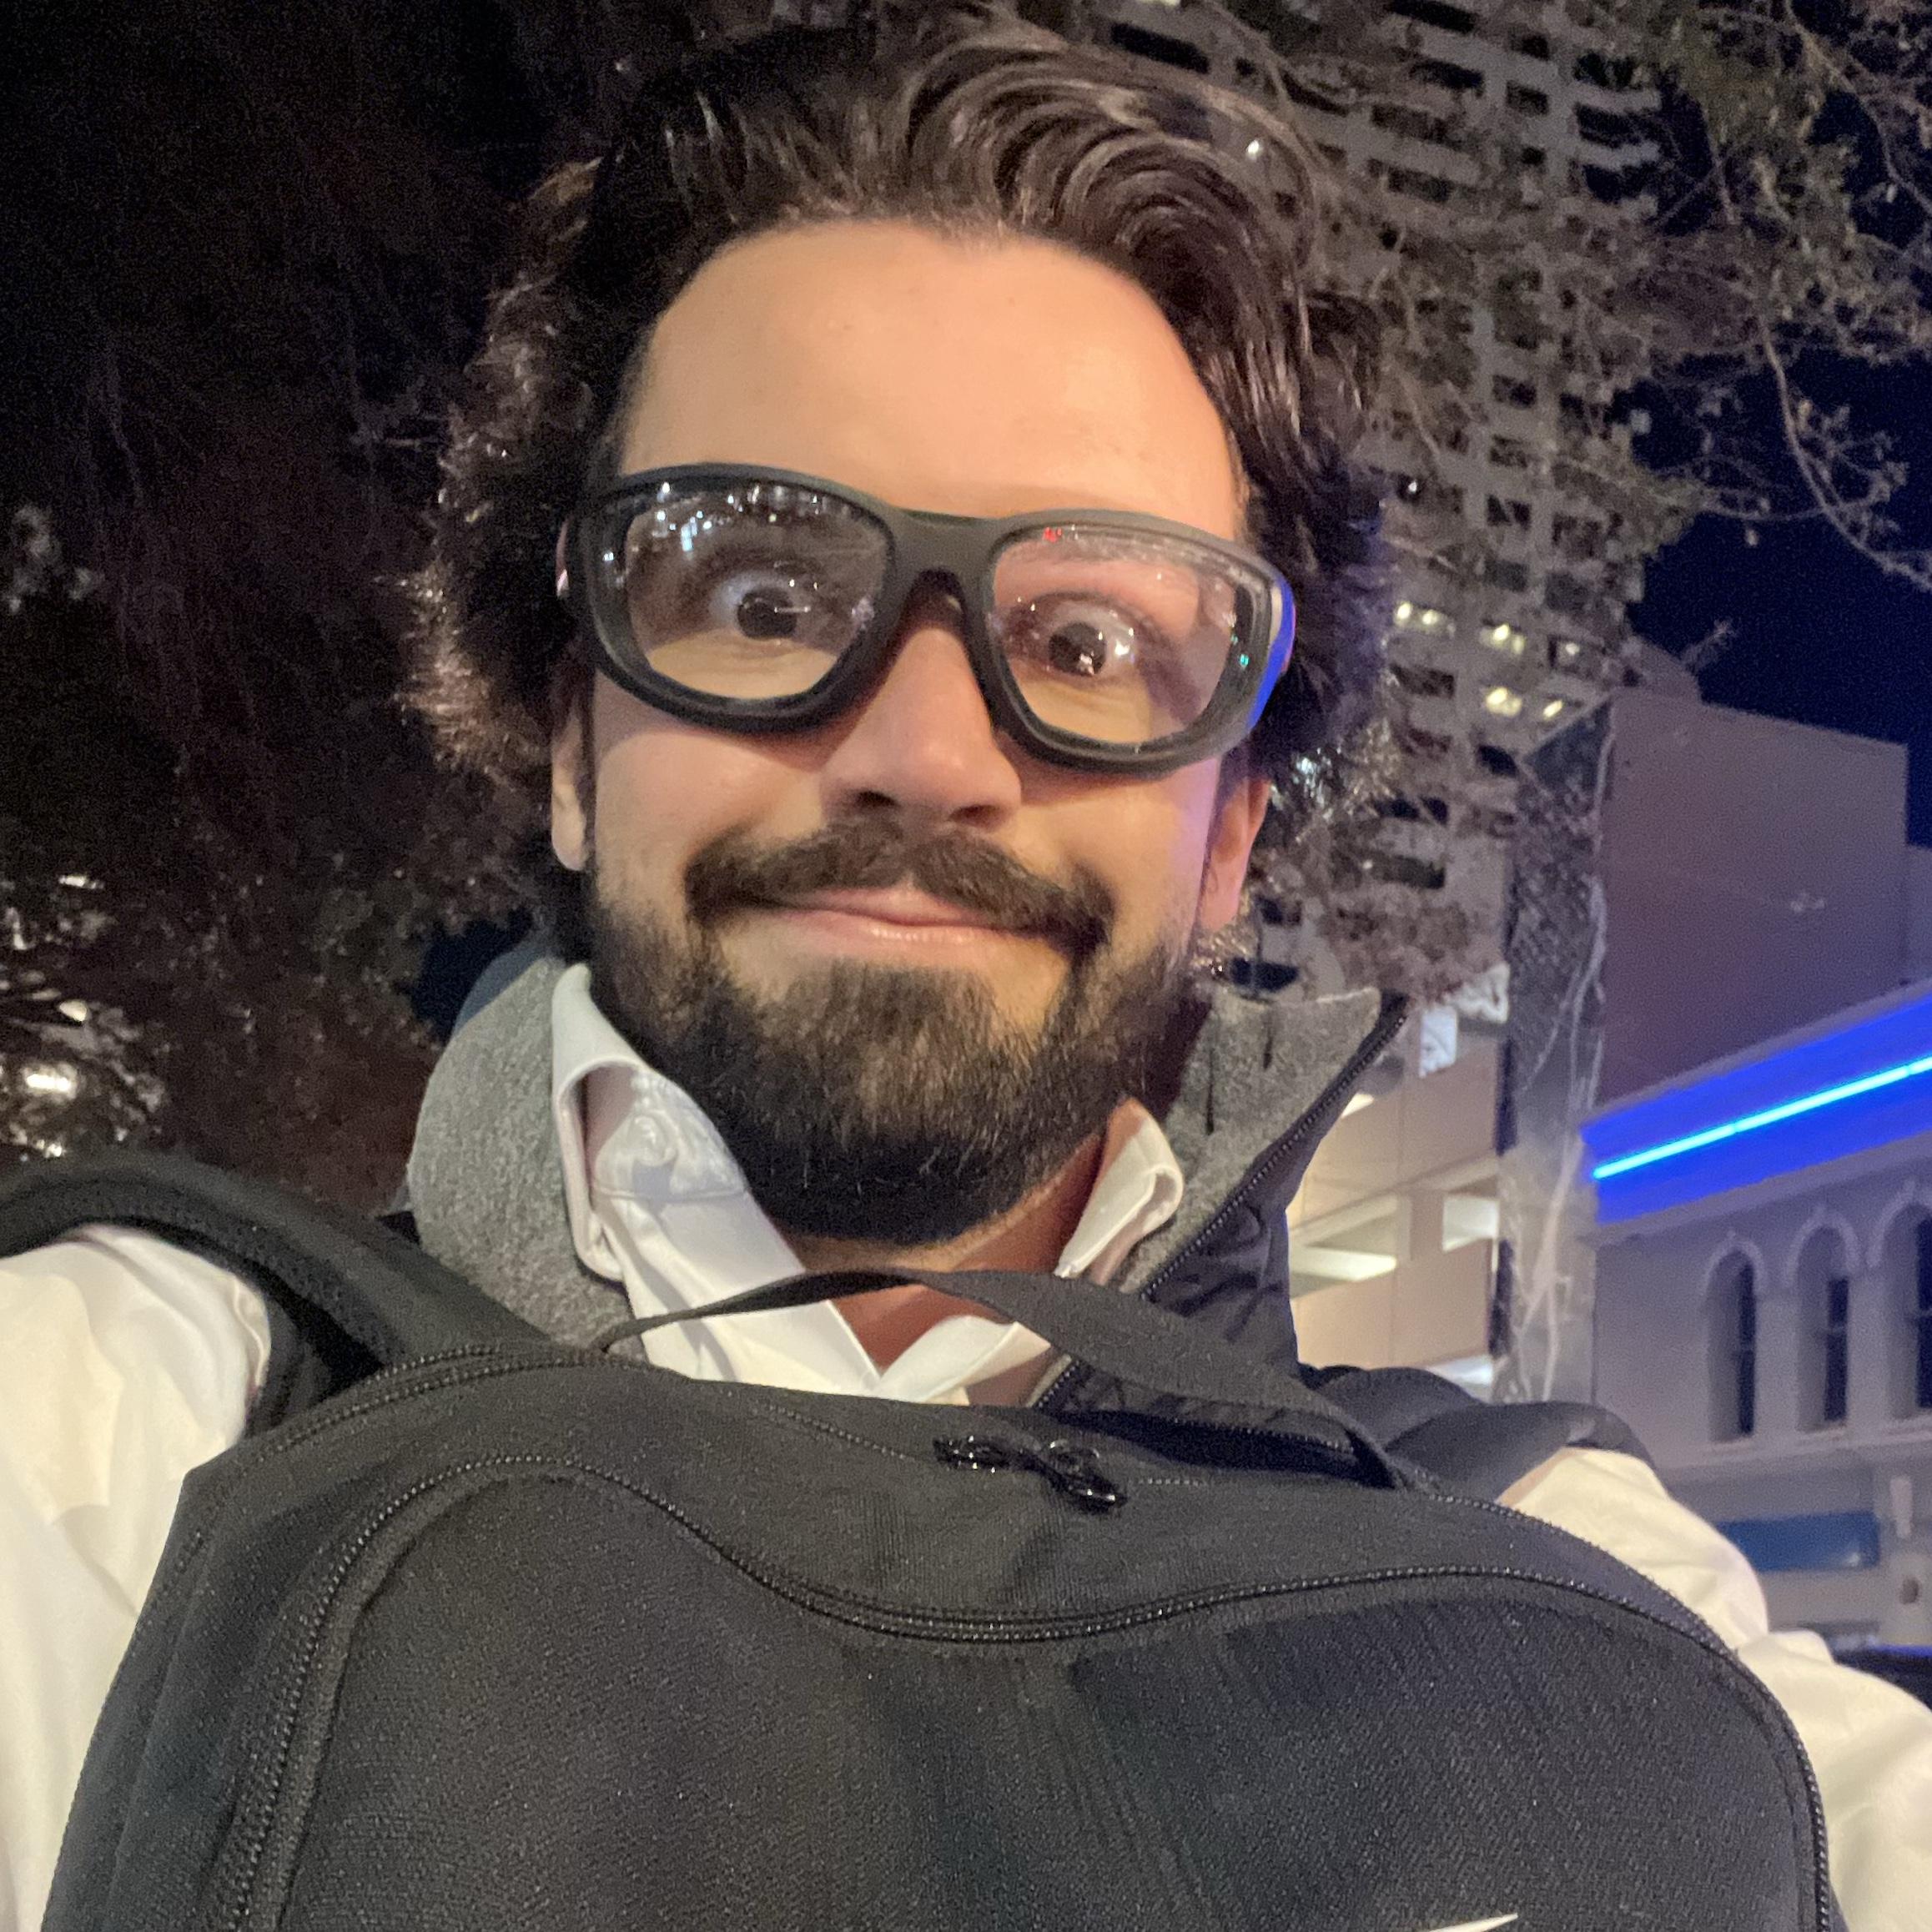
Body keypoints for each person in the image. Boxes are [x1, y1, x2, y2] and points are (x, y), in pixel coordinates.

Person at [3, 6, 1928, 1928]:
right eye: (764, 594)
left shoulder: (1550, 1571)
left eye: (1087, 641)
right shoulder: (129, 1441)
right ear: (574, 740)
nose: (928, 752)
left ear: (1231, 835)